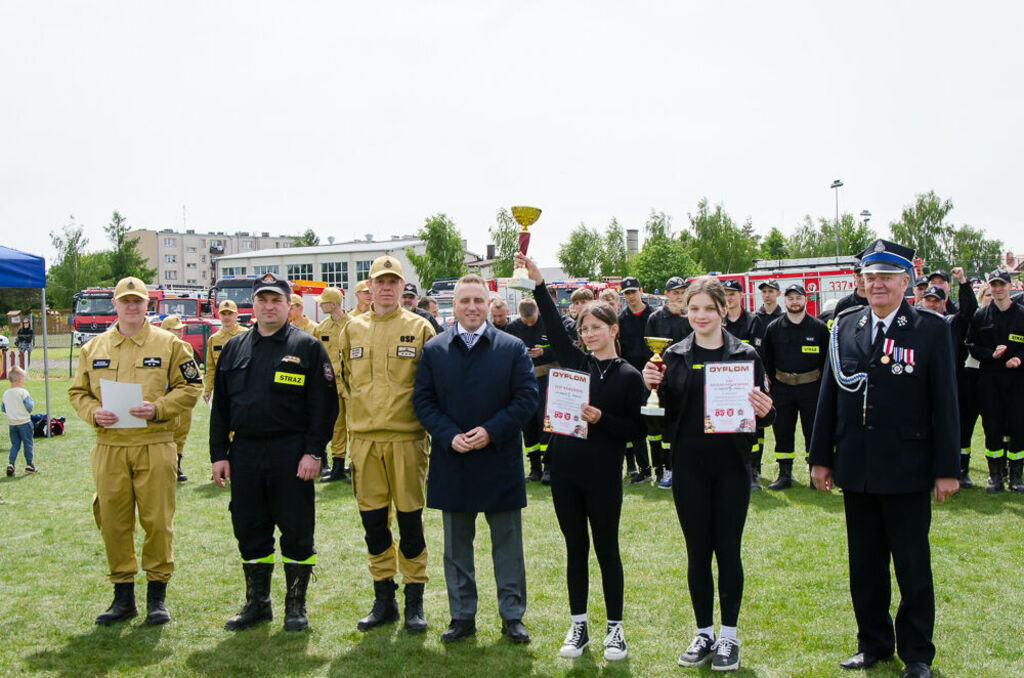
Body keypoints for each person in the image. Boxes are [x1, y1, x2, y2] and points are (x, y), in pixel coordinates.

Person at [809, 239, 959, 678]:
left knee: (912, 564)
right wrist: (821, 457)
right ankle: (872, 643)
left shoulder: (930, 329)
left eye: (886, 278)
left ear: (904, 282)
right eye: (870, 277)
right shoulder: (844, 325)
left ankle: (916, 653)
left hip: (908, 467)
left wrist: (947, 469)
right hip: (857, 466)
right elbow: (830, 395)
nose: (877, 285)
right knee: (865, 564)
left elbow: (945, 403)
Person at [517, 253, 645, 661]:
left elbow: (637, 431)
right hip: (566, 471)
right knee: (575, 549)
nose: (589, 335)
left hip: (603, 475)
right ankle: (578, 626)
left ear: (613, 329)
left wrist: (602, 418)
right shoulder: (575, 363)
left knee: (607, 550)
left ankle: (615, 629)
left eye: (597, 328)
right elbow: (554, 328)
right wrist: (538, 283)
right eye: (585, 329)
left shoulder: (629, 375)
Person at [643, 276, 774, 672]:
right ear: (686, 310)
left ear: (723, 311)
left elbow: (763, 416)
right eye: (693, 308)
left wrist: (767, 410)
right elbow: (656, 422)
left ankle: (729, 636)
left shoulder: (746, 355)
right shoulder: (673, 356)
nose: (700, 315)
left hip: (732, 468)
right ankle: (703, 633)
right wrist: (651, 389)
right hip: (689, 469)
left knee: (728, 551)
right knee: (698, 553)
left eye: (708, 309)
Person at [68, 276, 203, 626]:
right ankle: (122, 597)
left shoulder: (169, 345)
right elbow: (78, 392)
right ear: (115, 304)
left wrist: (158, 407)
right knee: (113, 521)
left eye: (137, 301)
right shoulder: (94, 348)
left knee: (157, 521)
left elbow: (191, 387)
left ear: (148, 305)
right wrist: (91, 412)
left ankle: (157, 597)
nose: (131, 306)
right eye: (125, 301)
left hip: (155, 443)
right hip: (110, 446)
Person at [413, 274, 538, 644]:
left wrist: (492, 431)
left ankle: (512, 616)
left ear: (488, 304)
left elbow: (527, 397)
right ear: (455, 305)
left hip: (499, 460)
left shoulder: (512, 347)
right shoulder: (435, 350)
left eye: (478, 301)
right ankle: (462, 615)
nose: (471, 307)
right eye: (465, 300)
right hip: (454, 461)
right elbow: (423, 401)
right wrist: (450, 436)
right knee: (456, 548)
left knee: (508, 547)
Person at [210, 273, 338, 632]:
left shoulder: (307, 347)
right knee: (250, 528)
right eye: (263, 300)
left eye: (276, 300)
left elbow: (325, 406)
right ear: (254, 304)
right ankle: (257, 603)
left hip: (291, 451)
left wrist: (314, 452)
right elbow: (220, 406)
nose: (269, 306)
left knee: (297, 528)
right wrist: (219, 454)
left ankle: (295, 607)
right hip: (246, 452)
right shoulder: (234, 347)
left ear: (288, 306)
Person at [338, 255, 436, 633]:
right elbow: (344, 380)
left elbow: (430, 386)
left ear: (401, 287)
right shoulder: (352, 329)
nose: (386, 287)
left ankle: (414, 601)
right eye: (380, 281)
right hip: (364, 443)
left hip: (407, 441)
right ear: (369, 286)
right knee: (374, 524)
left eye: (393, 281)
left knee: (411, 523)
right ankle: (384, 600)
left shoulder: (420, 327)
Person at [761, 283, 829, 490]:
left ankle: (813, 473)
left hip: (811, 388)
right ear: (785, 301)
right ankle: (784, 474)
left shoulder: (818, 328)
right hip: (783, 388)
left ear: (805, 300)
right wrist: (771, 383)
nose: (794, 302)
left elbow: (827, 360)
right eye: (790, 298)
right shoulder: (774, 328)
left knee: (812, 431)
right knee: (782, 431)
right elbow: (767, 359)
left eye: (798, 297)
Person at [966, 269, 1024, 493]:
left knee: (1019, 425)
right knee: (992, 426)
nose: (998, 289)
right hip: (990, 379)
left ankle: (1016, 476)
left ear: (1010, 286)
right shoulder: (981, 316)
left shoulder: (1021, 314)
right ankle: (995, 475)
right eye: (994, 285)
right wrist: (991, 354)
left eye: (1002, 284)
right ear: (989, 287)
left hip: (1017, 380)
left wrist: (1019, 358)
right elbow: (971, 344)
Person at [920, 268, 978, 487]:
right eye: (928, 300)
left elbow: (969, 310)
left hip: (951, 385)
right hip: (923, 387)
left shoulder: (951, 323)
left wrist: (963, 282)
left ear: (944, 303)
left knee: (956, 429)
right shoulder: (916, 325)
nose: (932, 304)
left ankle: (960, 470)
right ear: (922, 301)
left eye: (936, 300)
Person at [645, 276, 692, 489]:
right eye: (675, 292)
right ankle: (668, 469)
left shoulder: (691, 317)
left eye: (682, 292)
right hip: (663, 379)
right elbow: (651, 351)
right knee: (666, 428)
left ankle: (686, 468)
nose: (679, 296)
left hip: (688, 378)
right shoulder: (656, 318)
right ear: (666, 294)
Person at [721, 278, 767, 490]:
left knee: (753, 428)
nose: (729, 298)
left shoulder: (752, 320)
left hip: (748, 381)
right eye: (726, 294)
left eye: (733, 294)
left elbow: (760, 353)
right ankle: (730, 467)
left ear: (741, 296)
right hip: (723, 382)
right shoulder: (719, 320)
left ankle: (753, 470)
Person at [506, 298, 557, 484]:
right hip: (523, 380)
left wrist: (543, 352)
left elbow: (561, 348)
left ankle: (549, 468)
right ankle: (535, 468)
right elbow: (506, 350)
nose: (528, 324)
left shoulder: (548, 323)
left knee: (545, 422)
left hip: (546, 377)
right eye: (525, 321)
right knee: (528, 424)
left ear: (538, 313)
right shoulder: (513, 328)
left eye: (532, 321)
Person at [314, 287, 351, 483]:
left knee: (355, 425)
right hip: (331, 384)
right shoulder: (322, 328)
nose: (320, 304)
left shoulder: (354, 324)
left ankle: (357, 466)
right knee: (336, 426)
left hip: (351, 383)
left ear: (334, 304)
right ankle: (337, 465)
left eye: (324, 301)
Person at [618, 276, 653, 482]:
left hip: (654, 374)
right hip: (632, 376)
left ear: (641, 290)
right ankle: (644, 469)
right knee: (637, 424)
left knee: (659, 425)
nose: (630, 296)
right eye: (626, 293)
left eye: (633, 291)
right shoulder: (621, 319)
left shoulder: (655, 316)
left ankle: (664, 467)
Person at [159, 315, 201, 483]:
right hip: (163, 396)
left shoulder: (185, 348)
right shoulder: (156, 348)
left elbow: (192, 374)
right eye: (175, 329)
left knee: (182, 430)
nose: (179, 332)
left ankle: (177, 464)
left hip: (182, 395)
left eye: (180, 329)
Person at [957, 283, 991, 487]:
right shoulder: (976, 318)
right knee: (966, 424)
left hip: (994, 377)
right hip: (971, 374)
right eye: (986, 294)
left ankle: (1000, 469)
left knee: (995, 424)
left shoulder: (1005, 317)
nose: (990, 297)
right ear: (980, 297)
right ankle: (962, 468)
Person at [204, 300, 248, 407]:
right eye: (223, 314)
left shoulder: (246, 334)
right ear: (219, 315)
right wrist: (208, 389)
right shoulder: (214, 339)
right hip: (222, 388)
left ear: (236, 315)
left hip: (243, 387)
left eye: (230, 314)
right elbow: (211, 367)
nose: (226, 317)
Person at [3, 366, 36, 475]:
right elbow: (30, 406)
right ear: (20, 379)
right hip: (24, 422)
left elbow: (3, 408)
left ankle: (11, 463)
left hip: (12, 423)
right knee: (28, 443)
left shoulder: (6, 393)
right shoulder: (23, 392)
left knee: (15, 444)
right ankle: (29, 464)